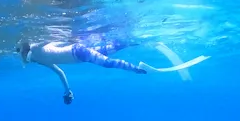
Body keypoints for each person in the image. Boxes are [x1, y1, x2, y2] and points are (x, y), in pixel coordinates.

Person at [16, 39, 210, 105]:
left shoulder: (39, 48)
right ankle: (137, 40)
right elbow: (59, 72)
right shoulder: (39, 60)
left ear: (25, 51)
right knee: (111, 49)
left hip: (79, 51)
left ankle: (136, 68)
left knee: (107, 62)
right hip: (82, 56)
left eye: (21, 55)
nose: (23, 60)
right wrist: (67, 91)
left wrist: (70, 36)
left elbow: (58, 41)